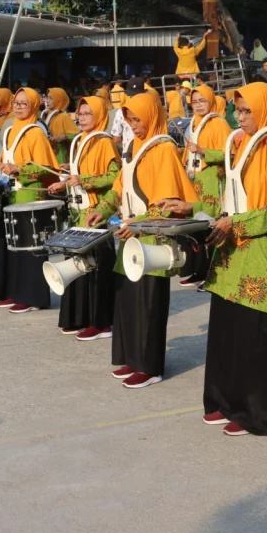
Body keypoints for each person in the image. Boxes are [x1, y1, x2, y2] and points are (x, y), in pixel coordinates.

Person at [159, 82, 267, 435]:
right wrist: (191, 206)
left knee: (252, 339)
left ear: (265, 110)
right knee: (226, 335)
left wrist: (236, 223)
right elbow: (229, 203)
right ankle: (224, 402)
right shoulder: (239, 147)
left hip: (259, 260)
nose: (242, 118)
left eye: (249, 111)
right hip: (230, 255)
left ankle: (253, 414)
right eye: (240, 111)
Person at [84, 91, 199, 389]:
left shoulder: (164, 149)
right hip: (130, 235)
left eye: (138, 119)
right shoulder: (134, 146)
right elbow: (118, 188)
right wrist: (101, 209)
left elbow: (166, 203)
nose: (134, 126)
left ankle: (150, 366)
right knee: (127, 301)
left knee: (148, 304)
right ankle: (132, 358)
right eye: (130, 120)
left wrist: (139, 224)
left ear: (152, 116)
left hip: (153, 241)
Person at [47, 96, 120, 340]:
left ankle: (101, 323)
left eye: (88, 113)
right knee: (78, 266)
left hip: (96, 212)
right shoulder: (80, 140)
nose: (82, 118)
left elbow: (115, 177)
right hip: (78, 211)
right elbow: (80, 173)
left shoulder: (104, 142)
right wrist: (65, 181)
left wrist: (84, 180)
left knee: (98, 267)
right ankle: (79, 316)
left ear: (100, 115)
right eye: (80, 113)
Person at [0, 88, 59, 313]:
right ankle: (14, 291)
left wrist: (19, 170)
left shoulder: (36, 133)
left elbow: (46, 168)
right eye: (16, 103)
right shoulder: (9, 130)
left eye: (24, 104)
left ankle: (32, 297)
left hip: (29, 196)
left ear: (34, 106)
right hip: (11, 195)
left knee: (29, 249)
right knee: (12, 248)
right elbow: (6, 160)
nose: (18, 107)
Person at [181, 83, 233, 286]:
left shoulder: (219, 123)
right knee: (197, 228)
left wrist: (203, 151)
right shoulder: (193, 122)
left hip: (212, 182)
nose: (198, 105)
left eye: (202, 100)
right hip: (195, 182)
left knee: (212, 227)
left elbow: (228, 154)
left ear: (210, 100)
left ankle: (215, 276)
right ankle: (200, 271)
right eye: (194, 101)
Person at [44, 87, 79, 164]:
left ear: (59, 100)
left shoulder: (63, 116)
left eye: (51, 98)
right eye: (47, 98)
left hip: (62, 157)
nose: (47, 101)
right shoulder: (49, 115)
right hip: (50, 155)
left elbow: (78, 136)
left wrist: (64, 137)